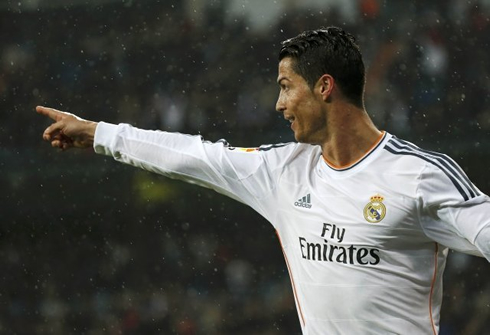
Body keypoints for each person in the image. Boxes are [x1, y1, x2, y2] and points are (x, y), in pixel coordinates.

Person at [37, 27, 490, 334]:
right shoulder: (283, 171)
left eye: (286, 86)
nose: (279, 104)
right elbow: (193, 156)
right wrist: (101, 134)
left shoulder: (419, 176)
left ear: (325, 87)